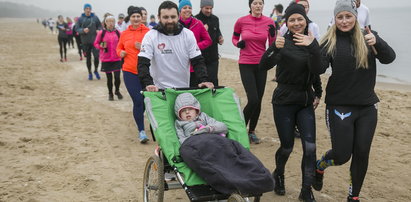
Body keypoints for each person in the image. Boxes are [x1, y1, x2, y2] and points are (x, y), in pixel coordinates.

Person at [310, 0, 396, 201]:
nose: (344, 20)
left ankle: (353, 196)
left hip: (367, 106)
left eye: (348, 16)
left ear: (355, 17)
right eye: (340, 17)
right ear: (335, 19)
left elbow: (389, 58)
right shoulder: (329, 41)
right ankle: (320, 166)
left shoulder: (368, 37)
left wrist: (378, 42)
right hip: (339, 106)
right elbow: (318, 69)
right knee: (341, 155)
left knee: (362, 152)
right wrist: (313, 49)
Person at [259, 3, 320, 201]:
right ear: (287, 22)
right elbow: (263, 64)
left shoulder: (311, 42)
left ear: (305, 20)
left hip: (305, 101)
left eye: (299, 19)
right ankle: (279, 173)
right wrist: (273, 49)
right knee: (287, 147)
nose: (296, 23)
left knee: (310, 148)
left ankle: (306, 189)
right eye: (292, 20)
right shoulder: (282, 42)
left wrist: (318, 92)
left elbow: (317, 69)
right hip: (284, 101)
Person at [175, 92, 274, 195]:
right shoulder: (179, 124)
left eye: (189, 109)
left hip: (215, 140)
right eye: (183, 111)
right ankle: (233, 183)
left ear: (196, 110)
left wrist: (207, 129)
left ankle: (261, 177)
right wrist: (193, 137)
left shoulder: (204, 117)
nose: (187, 113)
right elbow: (182, 140)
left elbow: (223, 127)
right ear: (178, 114)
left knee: (234, 153)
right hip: (196, 144)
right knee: (214, 164)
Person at [137, 1, 214, 91]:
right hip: (158, 89)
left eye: (173, 17)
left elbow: (197, 61)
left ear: (178, 16)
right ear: (159, 17)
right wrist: (148, 83)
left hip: (183, 88)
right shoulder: (150, 36)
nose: (170, 20)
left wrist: (203, 80)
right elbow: (142, 63)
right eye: (165, 17)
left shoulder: (188, 34)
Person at [231, 0, 276, 144]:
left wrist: (274, 35)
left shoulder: (269, 22)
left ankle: (252, 131)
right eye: (255, 3)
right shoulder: (241, 21)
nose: (258, 5)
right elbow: (234, 37)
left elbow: (273, 44)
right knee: (253, 99)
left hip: (261, 65)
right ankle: (240, 128)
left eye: (260, 3)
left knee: (259, 100)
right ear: (250, 5)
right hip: (245, 64)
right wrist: (238, 43)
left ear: (263, 5)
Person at [116, 6, 150, 143]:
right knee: (137, 100)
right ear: (129, 18)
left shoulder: (148, 32)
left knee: (146, 102)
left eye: (138, 16)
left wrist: (141, 46)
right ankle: (141, 131)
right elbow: (119, 47)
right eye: (133, 16)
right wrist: (120, 53)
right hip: (129, 71)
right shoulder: (124, 34)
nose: (136, 19)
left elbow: (154, 50)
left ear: (142, 18)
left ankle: (140, 117)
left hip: (146, 71)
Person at [178, 0, 212, 87]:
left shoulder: (198, 23)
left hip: (194, 66)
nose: (187, 10)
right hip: (179, 65)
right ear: (179, 10)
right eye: (184, 8)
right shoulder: (175, 24)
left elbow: (208, 40)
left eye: (189, 8)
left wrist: (195, 47)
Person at [94, 14, 123, 101]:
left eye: (112, 21)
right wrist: (101, 46)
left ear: (114, 23)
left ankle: (117, 91)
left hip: (117, 58)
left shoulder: (118, 33)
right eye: (108, 21)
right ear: (105, 23)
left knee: (117, 78)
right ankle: (110, 93)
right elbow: (96, 43)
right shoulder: (101, 33)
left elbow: (122, 44)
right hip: (106, 59)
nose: (110, 23)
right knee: (109, 78)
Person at [195, 0, 224, 86]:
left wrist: (220, 38)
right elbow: (192, 39)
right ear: (201, 7)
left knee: (213, 81)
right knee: (201, 82)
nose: (209, 11)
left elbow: (217, 31)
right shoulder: (195, 19)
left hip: (213, 57)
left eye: (211, 8)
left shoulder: (215, 19)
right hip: (200, 57)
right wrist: (202, 31)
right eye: (206, 8)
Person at [75, 3, 102, 80]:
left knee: (96, 57)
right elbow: (77, 29)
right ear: (84, 10)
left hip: (95, 41)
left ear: (91, 9)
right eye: (86, 8)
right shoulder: (80, 19)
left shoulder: (95, 18)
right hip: (85, 42)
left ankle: (96, 70)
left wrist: (99, 30)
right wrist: (83, 30)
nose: (88, 10)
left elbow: (100, 26)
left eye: (89, 8)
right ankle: (90, 72)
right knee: (88, 58)